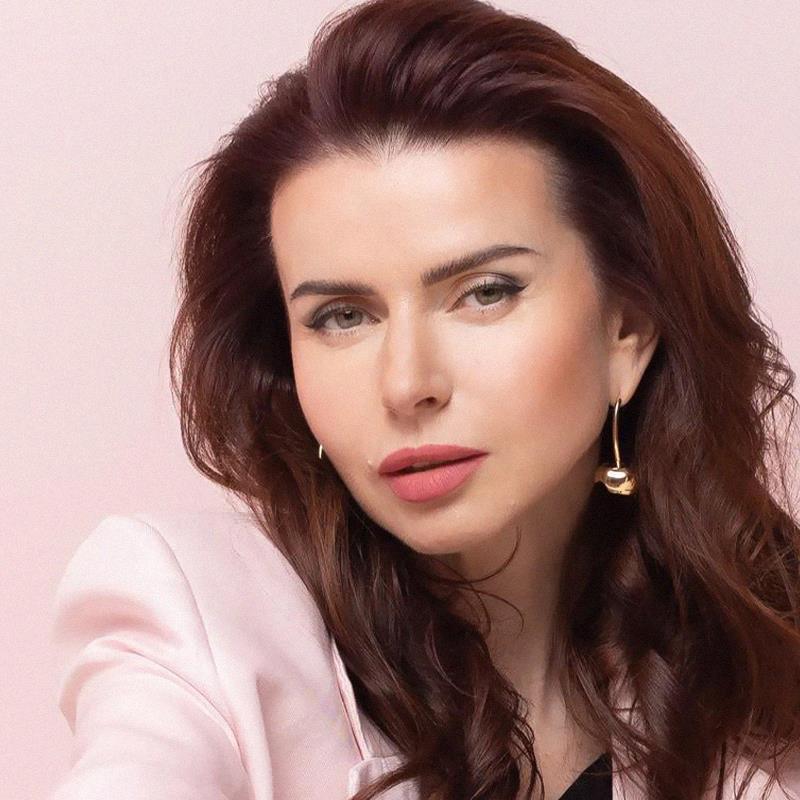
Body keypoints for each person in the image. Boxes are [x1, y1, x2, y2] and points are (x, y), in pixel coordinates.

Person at [49, 1, 800, 799]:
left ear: (628, 333)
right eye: (343, 317)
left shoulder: (764, 661)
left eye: (484, 293)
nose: (407, 384)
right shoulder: (198, 626)